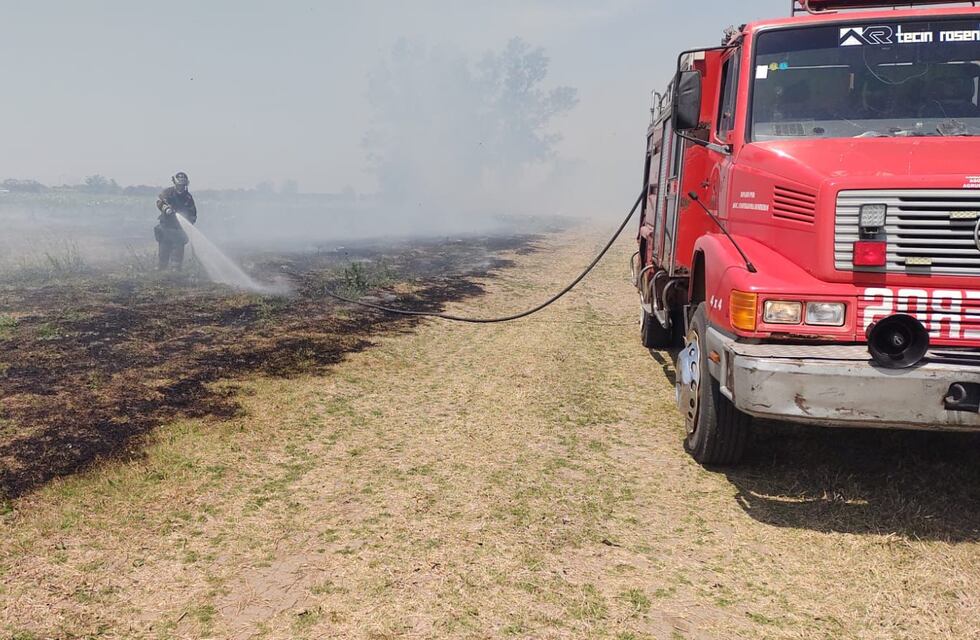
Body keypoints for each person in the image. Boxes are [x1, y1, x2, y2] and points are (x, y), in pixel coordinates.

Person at [154, 172, 198, 270]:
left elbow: (193, 212)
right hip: (166, 227)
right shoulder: (168, 192)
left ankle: (176, 271)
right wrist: (165, 209)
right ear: (175, 183)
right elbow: (159, 202)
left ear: (186, 185)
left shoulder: (188, 197)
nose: (181, 187)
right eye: (179, 185)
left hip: (179, 229)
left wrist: (190, 221)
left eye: (183, 185)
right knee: (163, 250)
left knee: (178, 252)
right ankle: (161, 270)